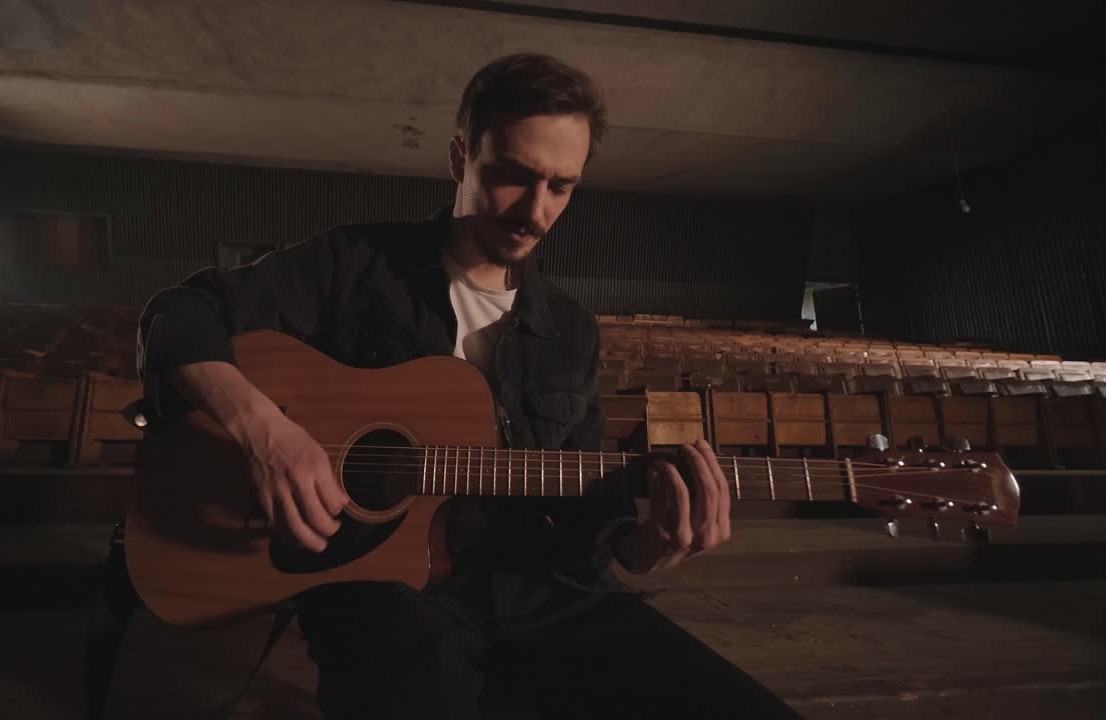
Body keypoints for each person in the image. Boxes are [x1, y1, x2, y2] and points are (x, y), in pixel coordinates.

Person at [136, 53, 801, 719]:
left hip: (535, 588)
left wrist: (649, 543)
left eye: (561, 187)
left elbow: (589, 516)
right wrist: (265, 432)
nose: (535, 212)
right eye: (513, 176)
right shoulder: (356, 265)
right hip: (380, 588)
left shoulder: (570, 329)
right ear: (461, 157)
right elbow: (179, 314)